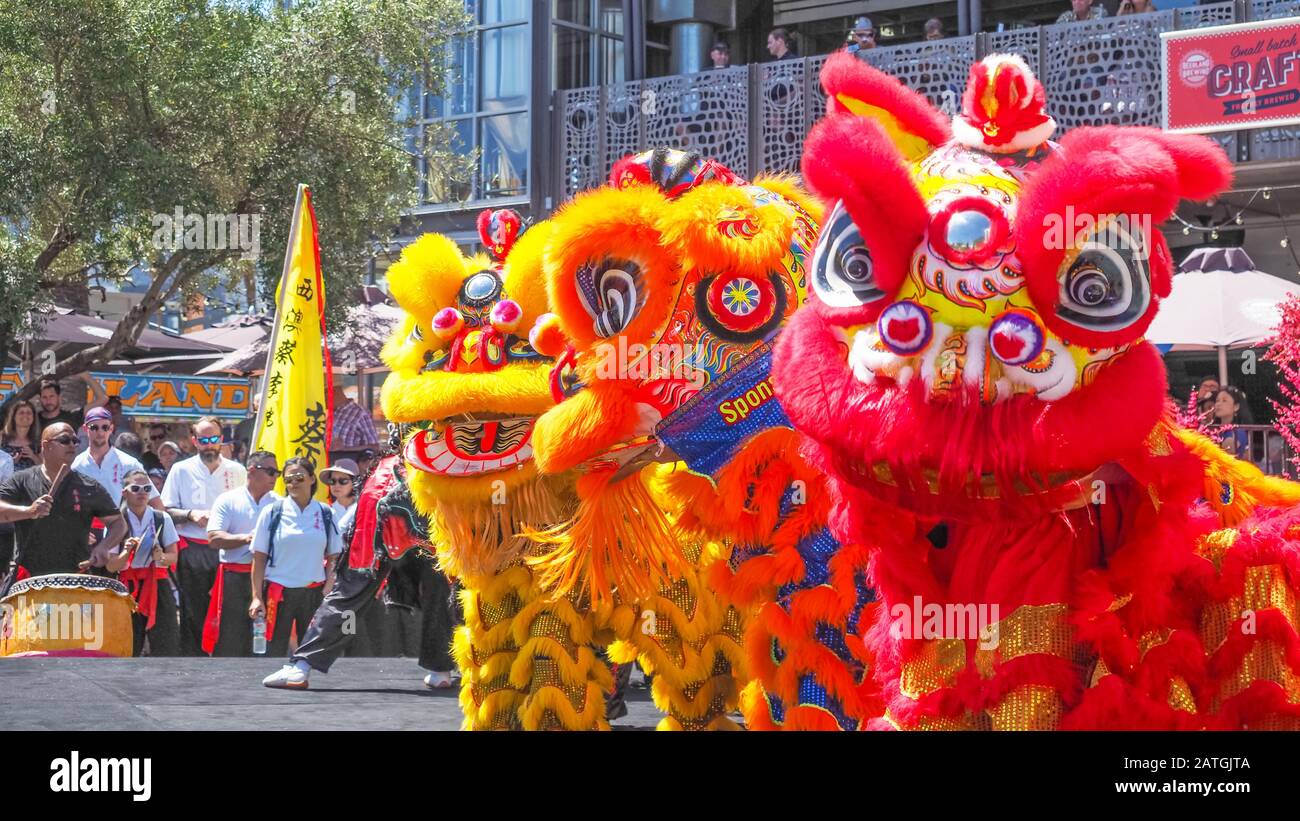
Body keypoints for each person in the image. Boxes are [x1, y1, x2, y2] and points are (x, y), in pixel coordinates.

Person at [160, 415, 248, 655]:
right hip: (194, 547)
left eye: (213, 439)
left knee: (228, 606)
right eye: (203, 439)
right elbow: (165, 510)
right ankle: (193, 656)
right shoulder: (181, 470)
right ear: (194, 441)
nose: (209, 445)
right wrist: (190, 514)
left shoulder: (237, 471)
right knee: (193, 608)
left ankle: (226, 654)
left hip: (229, 548)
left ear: (221, 440)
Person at [0, 423, 127, 578]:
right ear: (46, 446)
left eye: (74, 440)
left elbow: (118, 523)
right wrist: (28, 511)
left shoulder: (88, 485)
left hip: (76, 579)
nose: (72, 445)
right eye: (65, 440)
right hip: (30, 579)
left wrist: (104, 546)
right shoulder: (22, 480)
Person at [249, 457, 342, 663]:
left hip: (313, 591)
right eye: (288, 478)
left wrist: (329, 585)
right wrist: (257, 596)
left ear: (311, 479)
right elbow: (259, 557)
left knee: (311, 650)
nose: (293, 483)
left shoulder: (325, 512)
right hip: (278, 592)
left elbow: (334, 555)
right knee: (271, 651)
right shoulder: (272, 511)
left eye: (299, 477)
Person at [203, 450, 281, 656]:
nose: (276, 477)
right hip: (234, 577)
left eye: (278, 473)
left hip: (269, 578)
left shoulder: (279, 503)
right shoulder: (228, 500)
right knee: (230, 637)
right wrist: (249, 539)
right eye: (271, 471)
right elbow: (214, 538)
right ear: (252, 471)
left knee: (265, 640)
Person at [107, 469, 180, 657]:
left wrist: (161, 557)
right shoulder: (117, 521)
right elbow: (111, 565)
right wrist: (126, 552)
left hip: (157, 583)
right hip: (127, 586)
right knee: (128, 643)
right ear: (124, 492)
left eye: (147, 488)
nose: (142, 492)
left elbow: (173, 556)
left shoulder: (162, 517)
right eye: (136, 488)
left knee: (166, 641)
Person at [71, 408, 162, 508]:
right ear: (85, 429)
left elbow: (155, 503)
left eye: (105, 427)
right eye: (94, 427)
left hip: (122, 522)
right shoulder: (77, 465)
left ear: (111, 429)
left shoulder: (129, 464)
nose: (100, 432)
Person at [34, 374, 108, 436]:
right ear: (40, 399)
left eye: (51, 396)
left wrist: (86, 376)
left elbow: (103, 399)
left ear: (59, 397)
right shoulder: (33, 419)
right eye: (44, 397)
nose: (48, 400)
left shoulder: (72, 417)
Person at [330, 385, 379, 462]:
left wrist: (344, 449)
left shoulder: (360, 413)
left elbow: (374, 447)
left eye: (324, 397)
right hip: (331, 464)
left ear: (334, 393)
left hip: (351, 465)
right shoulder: (333, 413)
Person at [1211, 386, 1252, 459]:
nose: (1218, 404)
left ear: (1236, 406)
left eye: (1224, 400)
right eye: (1217, 400)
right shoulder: (1215, 430)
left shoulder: (1237, 432)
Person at [2, 401, 40, 470]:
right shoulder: (2, 438)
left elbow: (46, 468)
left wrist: (33, 456)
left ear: (33, 418)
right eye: (21, 413)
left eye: (29, 413)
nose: (25, 415)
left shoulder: (38, 442)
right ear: (13, 417)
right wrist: (9, 462)